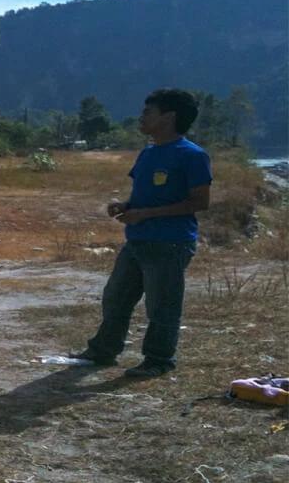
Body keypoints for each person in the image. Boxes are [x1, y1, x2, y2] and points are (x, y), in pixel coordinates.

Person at [71, 88, 211, 378]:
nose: (141, 117)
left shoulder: (193, 155)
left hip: (170, 243)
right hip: (138, 240)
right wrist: (126, 205)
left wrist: (146, 214)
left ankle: (159, 360)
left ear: (169, 117)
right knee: (115, 297)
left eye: (148, 112)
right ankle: (103, 350)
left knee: (162, 305)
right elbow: (144, 194)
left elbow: (200, 202)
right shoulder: (148, 153)